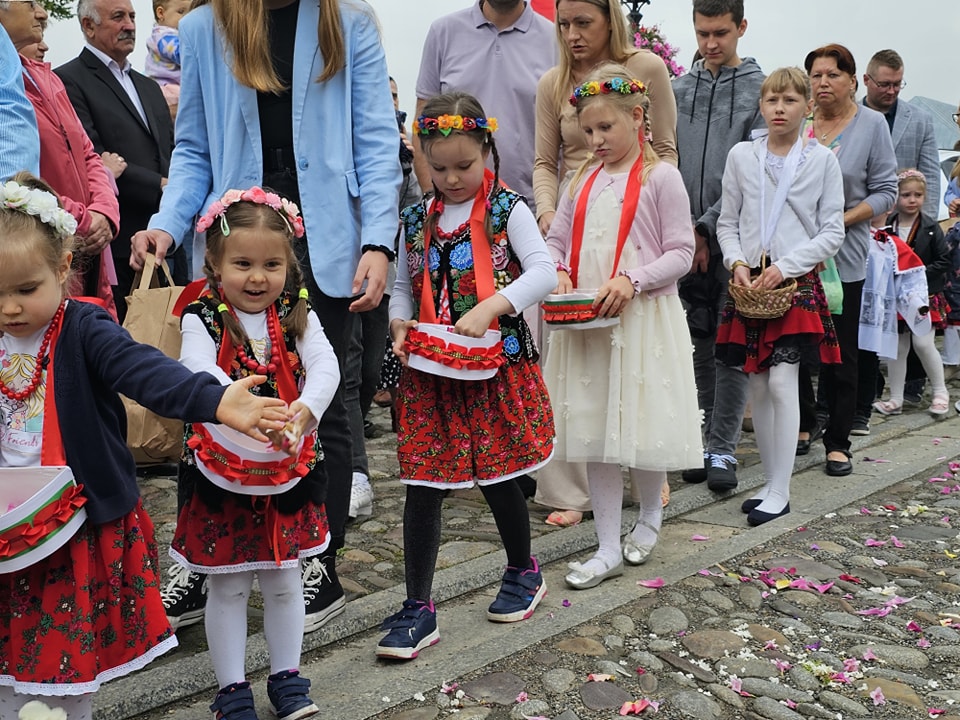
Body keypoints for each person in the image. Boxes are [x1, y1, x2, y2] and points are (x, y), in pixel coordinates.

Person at [130, 0, 401, 635]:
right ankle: (201, 562)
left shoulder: (348, 21)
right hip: (234, 238)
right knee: (209, 402)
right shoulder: (203, 27)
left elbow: (376, 141)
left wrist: (379, 240)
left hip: (324, 238)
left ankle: (318, 560)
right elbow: (193, 148)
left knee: (323, 401)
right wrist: (166, 225)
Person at [0, 173, 289, 720]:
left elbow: (145, 371)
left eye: (25, 290)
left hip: (69, 525)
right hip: (5, 525)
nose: (10, 308)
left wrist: (216, 400)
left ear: (62, 269)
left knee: (63, 662)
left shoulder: (82, 328)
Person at [381, 92, 555, 659]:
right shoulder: (415, 220)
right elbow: (403, 285)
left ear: (486, 150)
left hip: (493, 367)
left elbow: (544, 272)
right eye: (439, 168)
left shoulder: (508, 210)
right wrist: (399, 322)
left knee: (498, 474)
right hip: (431, 372)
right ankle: (418, 605)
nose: (452, 179)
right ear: (422, 160)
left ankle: (523, 569)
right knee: (423, 483)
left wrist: (492, 307)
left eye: (464, 165)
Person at [173, 188, 338, 720]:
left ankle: (287, 677)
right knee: (228, 585)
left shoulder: (295, 311)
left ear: (288, 266)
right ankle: (231, 689)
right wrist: (244, 408)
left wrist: (304, 411)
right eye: (242, 264)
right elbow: (199, 368)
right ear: (215, 263)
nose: (257, 278)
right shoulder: (201, 315)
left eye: (271, 265)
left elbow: (325, 364)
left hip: (287, 464)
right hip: (223, 465)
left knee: (285, 579)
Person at [543, 64, 701, 589]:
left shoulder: (661, 177)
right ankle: (607, 545)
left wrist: (634, 279)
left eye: (605, 128)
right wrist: (559, 269)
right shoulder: (580, 180)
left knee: (639, 422)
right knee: (596, 429)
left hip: (641, 319)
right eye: (588, 131)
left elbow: (681, 251)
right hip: (591, 321)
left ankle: (650, 516)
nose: (595, 140)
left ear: (637, 118)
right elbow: (557, 241)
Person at [532, 0, 679, 526]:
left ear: (609, 19)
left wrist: (642, 204)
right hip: (575, 218)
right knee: (580, 378)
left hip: (631, 220)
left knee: (635, 371)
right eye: (563, 24)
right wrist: (551, 219)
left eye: (583, 23)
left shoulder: (646, 69)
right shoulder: (553, 82)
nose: (572, 34)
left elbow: (665, 147)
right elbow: (545, 161)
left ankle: (645, 475)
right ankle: (573, 490)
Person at [715, 67, 844, 525]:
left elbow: (832, 231)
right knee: (756, 383)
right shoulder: (742, 155)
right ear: (761, 105)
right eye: (772, 100)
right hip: (750, 283)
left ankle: (782, 490)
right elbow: (728, 221)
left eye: (789, 101)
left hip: (793, 282)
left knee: (783, 382)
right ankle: (769, 482)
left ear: (807, 106)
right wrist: (737, 261)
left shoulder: (821, 160)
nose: (779, 109)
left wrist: (785, 267)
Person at [672, 0, 765, 493]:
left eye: (721, 33)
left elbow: (753, 172)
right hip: (679, 240)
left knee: (730, 347)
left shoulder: (759, 90)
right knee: (696, 343)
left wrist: (705, 231)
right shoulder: (676, 89)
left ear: (741, 27)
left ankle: (723, 447)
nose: (710, 44)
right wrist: (684, 232)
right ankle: (701, 439)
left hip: (735, 240)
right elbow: (663, 161)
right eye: (703, 33)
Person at [55, 0, 186, 321]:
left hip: (168, 237)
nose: (129, 24)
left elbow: (173, 150)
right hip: (117, 245)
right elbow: (92, 158)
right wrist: (160, 184)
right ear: (88, 26)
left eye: (132, 16)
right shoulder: (68, 81)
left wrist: (176, 191)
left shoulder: (150, 86)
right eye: (118, 17)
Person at [801, 43, 897, 476]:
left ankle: (838, 441)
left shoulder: (871, 124)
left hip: (845, 254)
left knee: (841, 349)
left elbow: (886, 192)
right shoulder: (799, 120)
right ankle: (803, 423)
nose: (823, 83)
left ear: (853, 80)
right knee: (793, 344)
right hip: (795, 254)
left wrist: (839, 221)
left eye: (833, 75)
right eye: (816, 75)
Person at [2, 1, 121, 317]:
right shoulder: (9, 91)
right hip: (38, 255)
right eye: (29, 3)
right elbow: (12, 182)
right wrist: (83, 220)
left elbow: (88, 153)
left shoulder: (48, 79)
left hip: (87, 254)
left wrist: (105, 212)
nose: (42, 13)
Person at [345, 76, 422, 521]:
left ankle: (350, 441)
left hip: (384, 269)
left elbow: (411, 208)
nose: (390, 104)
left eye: (394, 97)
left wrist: (407, 162)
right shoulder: (340, 132)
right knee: (348, 365)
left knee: (371, 368)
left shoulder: (397, 148)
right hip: (340, 265)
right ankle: (355, 470)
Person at [415, 0, 556, 211]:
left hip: (533, 207)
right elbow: (422, 123)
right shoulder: (443, 32)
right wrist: (432, 198)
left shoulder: (554, 39)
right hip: (452, 208)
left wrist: (549, 208)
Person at [861, 49, 941, 408]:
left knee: (912, 309)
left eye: (897, 84)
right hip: (866, 224)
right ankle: (874, 382)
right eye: (884, 84)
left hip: (908, 228)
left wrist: (925, 226)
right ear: (866, 81)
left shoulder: (918, 120)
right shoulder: (853, 115)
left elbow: (930, 174)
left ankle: (914, 383)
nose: (891, 91)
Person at [871, 169, 950, 416]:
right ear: (896, 197)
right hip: (897, 297)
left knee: (923, 343)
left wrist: (918, 274)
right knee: (897, 347)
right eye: (906, 195)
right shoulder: (888, 226)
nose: (912, 200)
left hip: (924, 296)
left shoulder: (931, 227)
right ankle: (896, 398)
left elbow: (944, 259)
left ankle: (940, 392)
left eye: (918, 195)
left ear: (925, 197)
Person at [145, 0, 189, 119]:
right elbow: (183, 55)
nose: (187, 18)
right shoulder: (164, 37)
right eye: (181, 12)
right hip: (169, 90)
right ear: (161, 13)